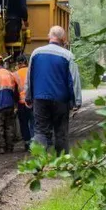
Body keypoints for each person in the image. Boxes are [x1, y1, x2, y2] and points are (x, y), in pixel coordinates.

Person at [25, 26, 81, 155]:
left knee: (40, 131)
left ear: (49, 36)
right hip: (61, 100)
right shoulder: (68, 55)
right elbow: (74, 80)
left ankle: (39, 161)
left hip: (40, 99)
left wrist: (28, 96)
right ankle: (62, 162)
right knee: (61, 132)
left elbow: (29, 77)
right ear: (63, 39)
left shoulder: (36, 53)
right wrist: (76, 101)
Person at [13, 55, 33, 149]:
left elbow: (14, 91)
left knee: (24, 123)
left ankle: (27, 143)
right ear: (26, 62)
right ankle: (34, 141)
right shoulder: (32, 71)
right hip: (32, 101)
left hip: (21, 102)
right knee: (33, 122)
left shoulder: (15, 74)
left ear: (18, 64)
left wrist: (15, 105)